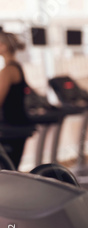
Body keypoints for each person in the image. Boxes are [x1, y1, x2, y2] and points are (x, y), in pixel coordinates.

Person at [0, 31, 31, 169]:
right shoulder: (16, 66)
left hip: (12, 126)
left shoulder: (8, 70)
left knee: (9, 170)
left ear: (4, 47)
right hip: (18, 123)